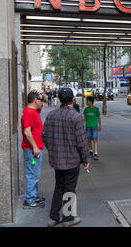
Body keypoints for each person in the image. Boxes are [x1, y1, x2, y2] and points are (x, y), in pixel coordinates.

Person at [42, 88, 90, 227]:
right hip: (72, 160)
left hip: (57, 160)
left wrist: (52, 149)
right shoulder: (76, 117)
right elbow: (82, 141)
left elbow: (44, 135)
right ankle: (68, 219)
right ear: (73, 100)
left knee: (59, 186)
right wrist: (85, 159)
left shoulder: (51, 115)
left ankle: (53, 217)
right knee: (69, 188)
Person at [21, 90, 47, 209]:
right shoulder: (29, 112)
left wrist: (41, 95)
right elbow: (27, 131)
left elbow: (44, 103)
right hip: (33, 150)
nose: (41, 102)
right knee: (33, 175)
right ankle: (29, 200)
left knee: (35, 174)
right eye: (40, 100)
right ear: (35, 100)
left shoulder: (34, 110)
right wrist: (35, 147)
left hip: (36, 149)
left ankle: (33, 196)